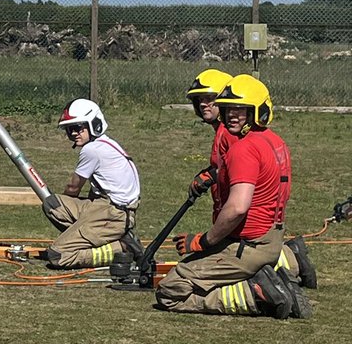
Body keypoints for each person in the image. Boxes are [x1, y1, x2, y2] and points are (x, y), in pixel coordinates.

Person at [155, 75, 311, 318]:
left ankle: (256, 295)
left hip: (247, 246)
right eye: (228, 109)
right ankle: (279, 272)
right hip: (270, 239)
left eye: (240, 110)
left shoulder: (244, 148)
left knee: (170, 291)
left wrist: (204, 241)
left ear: (257, 111)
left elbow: (238, 207)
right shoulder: (274, 141)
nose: (232, 115)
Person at [185, 69, 316, 290]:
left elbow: (243, 168)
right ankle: (290, 256)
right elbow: (226, 166)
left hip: (246, 222)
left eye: (210, 98)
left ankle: (289, 260)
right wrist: (210, 174)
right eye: (199, 100)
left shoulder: (230, 134)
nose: (204, 104)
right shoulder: (224, 132)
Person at [43, 98, 142, 269]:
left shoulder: (92, 150)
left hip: (113, 215)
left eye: (78, 128)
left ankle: (120, 248)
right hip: (109, 207)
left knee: (57, 256)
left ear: (94, 124)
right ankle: (91, 237)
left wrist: (78, 221)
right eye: (69, 129)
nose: (74, 133)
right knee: (53, 204)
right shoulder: (105, 144)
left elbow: (73, 188)